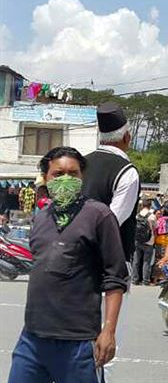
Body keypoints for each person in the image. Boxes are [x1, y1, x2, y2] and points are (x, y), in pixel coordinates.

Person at [8, 147, 128, 383]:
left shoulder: (98, 215)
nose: (66, 179)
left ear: (82, 177)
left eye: (73, 174)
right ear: (46, 177)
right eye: (58, 173)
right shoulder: (41, 217)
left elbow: (115, 277)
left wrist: (109, 331)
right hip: (33, 338)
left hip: (78, 342)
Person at [81, 102, 140, 382]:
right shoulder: (126, 171)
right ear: (127, 137)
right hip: (107, 265)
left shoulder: (80, 163)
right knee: (103, 339)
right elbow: (111, 222)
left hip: (74, 257)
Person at [132, 198, 157, 286]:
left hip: (137, 240)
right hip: (149, 241)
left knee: (136, 260)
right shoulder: (152, 216)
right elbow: (155, 228)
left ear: (142, 205)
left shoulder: (137, 215)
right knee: (146, 261)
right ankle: (145, 280)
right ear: (150, 206)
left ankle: (135, 279)